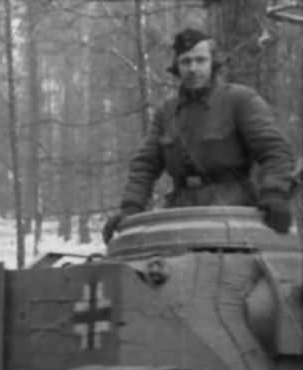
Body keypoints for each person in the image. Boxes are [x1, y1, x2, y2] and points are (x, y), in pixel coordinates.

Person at [103, 28, 297, 244]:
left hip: (234, 213)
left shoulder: (240, 101)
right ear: (177, 66)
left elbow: (275, 151)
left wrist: (274, 192)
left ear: (213, 63)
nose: (193, 69)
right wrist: (131, 207)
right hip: (180, 215)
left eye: (200, 60)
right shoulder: (166, 112)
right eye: (186, 62)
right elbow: (145, 165)